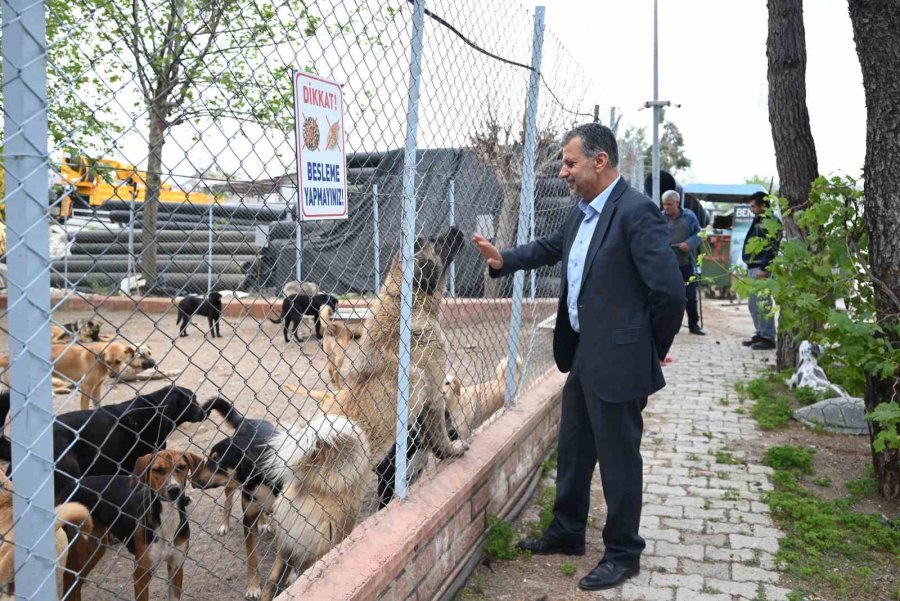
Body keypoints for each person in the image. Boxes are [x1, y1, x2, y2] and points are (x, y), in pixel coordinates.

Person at [471, 123, 685, 592]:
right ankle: (567, 531)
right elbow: (553, 248)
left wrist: (650, 351)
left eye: (570, 163)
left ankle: (624, 552)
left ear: (599, 161)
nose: (563, 172)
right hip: (586, 351)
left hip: (622, 359)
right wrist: (504, 259)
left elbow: (669, 293)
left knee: (618, 458)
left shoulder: (637, 213)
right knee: (573, 447)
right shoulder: (583, 212)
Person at [661, 190, 705, 335]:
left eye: (669, 204)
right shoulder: (660, 217)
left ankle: (694, 325)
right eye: (664, 204)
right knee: (667, 297)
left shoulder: (689, 216)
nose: (666, 207)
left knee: (690, 297)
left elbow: (698, 234)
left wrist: (689, 244)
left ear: (677, 203)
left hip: (685, 263)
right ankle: (668, 325)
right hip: (666, 265)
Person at [741, 191, 780, 350]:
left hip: (761, 267)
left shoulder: (771, 222)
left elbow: (773, 247)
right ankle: (760, 332)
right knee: (753, 303)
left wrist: (764, 268)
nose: (751, 210)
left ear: (763, 205)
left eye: (753, 206)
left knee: (763, 303)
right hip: (753, 266)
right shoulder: (759, 219)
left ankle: (768, 337)